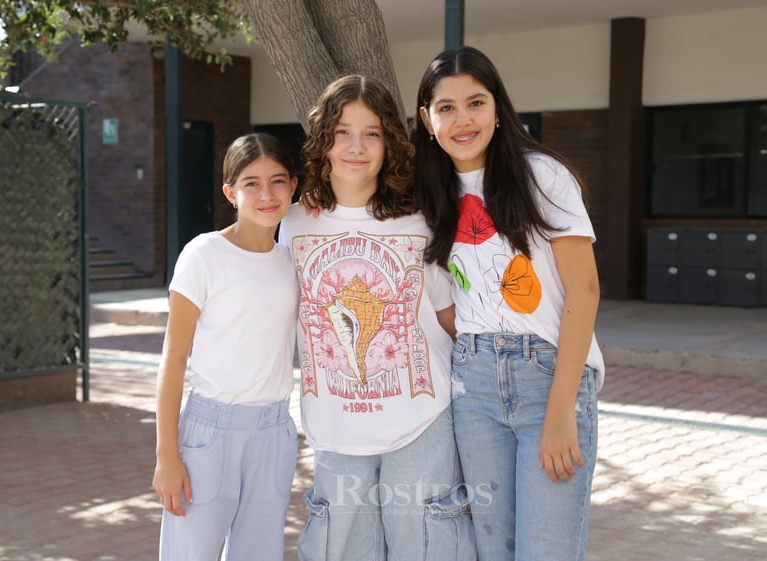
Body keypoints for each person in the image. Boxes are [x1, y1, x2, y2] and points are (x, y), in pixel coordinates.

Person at [411, 46, 606, 561]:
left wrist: (562, 410)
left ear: (498, 108)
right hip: (473, 384)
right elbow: (447, 301)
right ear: (426, 120)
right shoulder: (430, 195)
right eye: (446, 107)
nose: (463, 119)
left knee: (548, 551)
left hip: (550, 376)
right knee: (493, 550)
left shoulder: (543, 175)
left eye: (475, 103)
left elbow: (584, 292)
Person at [278, 75, 476, 561]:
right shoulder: (293, 221)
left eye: (372, 133)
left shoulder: (420, 220)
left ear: (390, 143)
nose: (356, 147)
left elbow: (450, 317)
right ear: (323, 140)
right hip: (336, 428)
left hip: (422, 422)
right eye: (343, 131)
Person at [152, 132, 300, 561]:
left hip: (274, 433)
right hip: (208, 433)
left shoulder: (292, 259)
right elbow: (174, 359)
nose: (266, 194)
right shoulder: (204, 254)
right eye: (251, 182)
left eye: (277, 181)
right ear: (230, 192)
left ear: (293, 186)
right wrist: (166, 456)